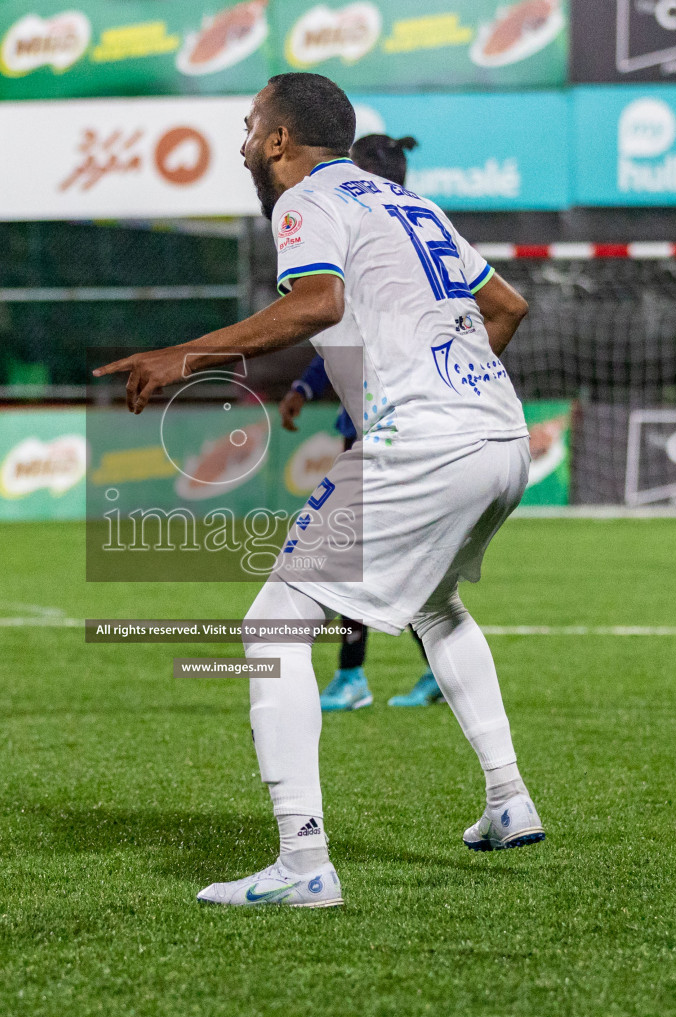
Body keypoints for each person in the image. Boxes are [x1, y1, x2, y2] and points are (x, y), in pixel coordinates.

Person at [95, 73, 538, 908]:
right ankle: (508, 800)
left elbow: (317, 303)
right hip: (500, 435)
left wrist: (184, 356)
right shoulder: (413, 205)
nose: (241, 142)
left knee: (271, 627)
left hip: (427, 444)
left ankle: (303, 864)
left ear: (278, 140)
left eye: (250, 125)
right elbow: (507, 306)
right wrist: (450, 391)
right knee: (435, 606)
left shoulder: (304, 199)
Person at [278, 132, 441, 711]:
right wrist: (304, 385)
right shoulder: (412, 236)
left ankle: (353, 680)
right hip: (392, 426)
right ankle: (375, 676)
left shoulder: (371, 244)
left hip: (393, 429)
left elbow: (347, 333)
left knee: (354, 558)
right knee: (391, 564)